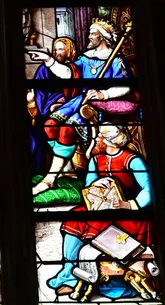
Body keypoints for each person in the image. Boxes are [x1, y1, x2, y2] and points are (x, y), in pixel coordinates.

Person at [48, 124, 153, 299]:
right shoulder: (96, 160)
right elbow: (89, 184)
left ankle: (113, 283)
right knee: (75, 218)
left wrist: (129, 205)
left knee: (111, 233)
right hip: (101, 208)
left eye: (99, 138)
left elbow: (149, 190)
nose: (96, 140)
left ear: (109, 140)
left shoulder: (132, 160)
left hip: (129, 212)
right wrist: (95, 185)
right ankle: (70, 276)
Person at [29, 20, 131, 195]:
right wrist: (49, 60)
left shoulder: (116, 59)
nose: (89, 36)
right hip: (79, 101)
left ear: (103, 36)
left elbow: (126, 86)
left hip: (99, 105)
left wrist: (103, 95)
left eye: (93, 33)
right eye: (90, 33)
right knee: (49, 125)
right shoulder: (85, 57)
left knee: (67, 130)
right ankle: (66, 166)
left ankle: (50, 179)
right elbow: (69, 74)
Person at [27, 37, 80, 173]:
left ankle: (63, 169)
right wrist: (36, 103)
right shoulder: (44, 69)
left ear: (69, 50)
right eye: (55, 49)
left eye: (61, 49)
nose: (57, 52)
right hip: (44, 111)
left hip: (70, 110)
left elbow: (73, 88)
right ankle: (46, 170)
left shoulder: (75, 67)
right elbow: (38, 90)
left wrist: (59, 102)